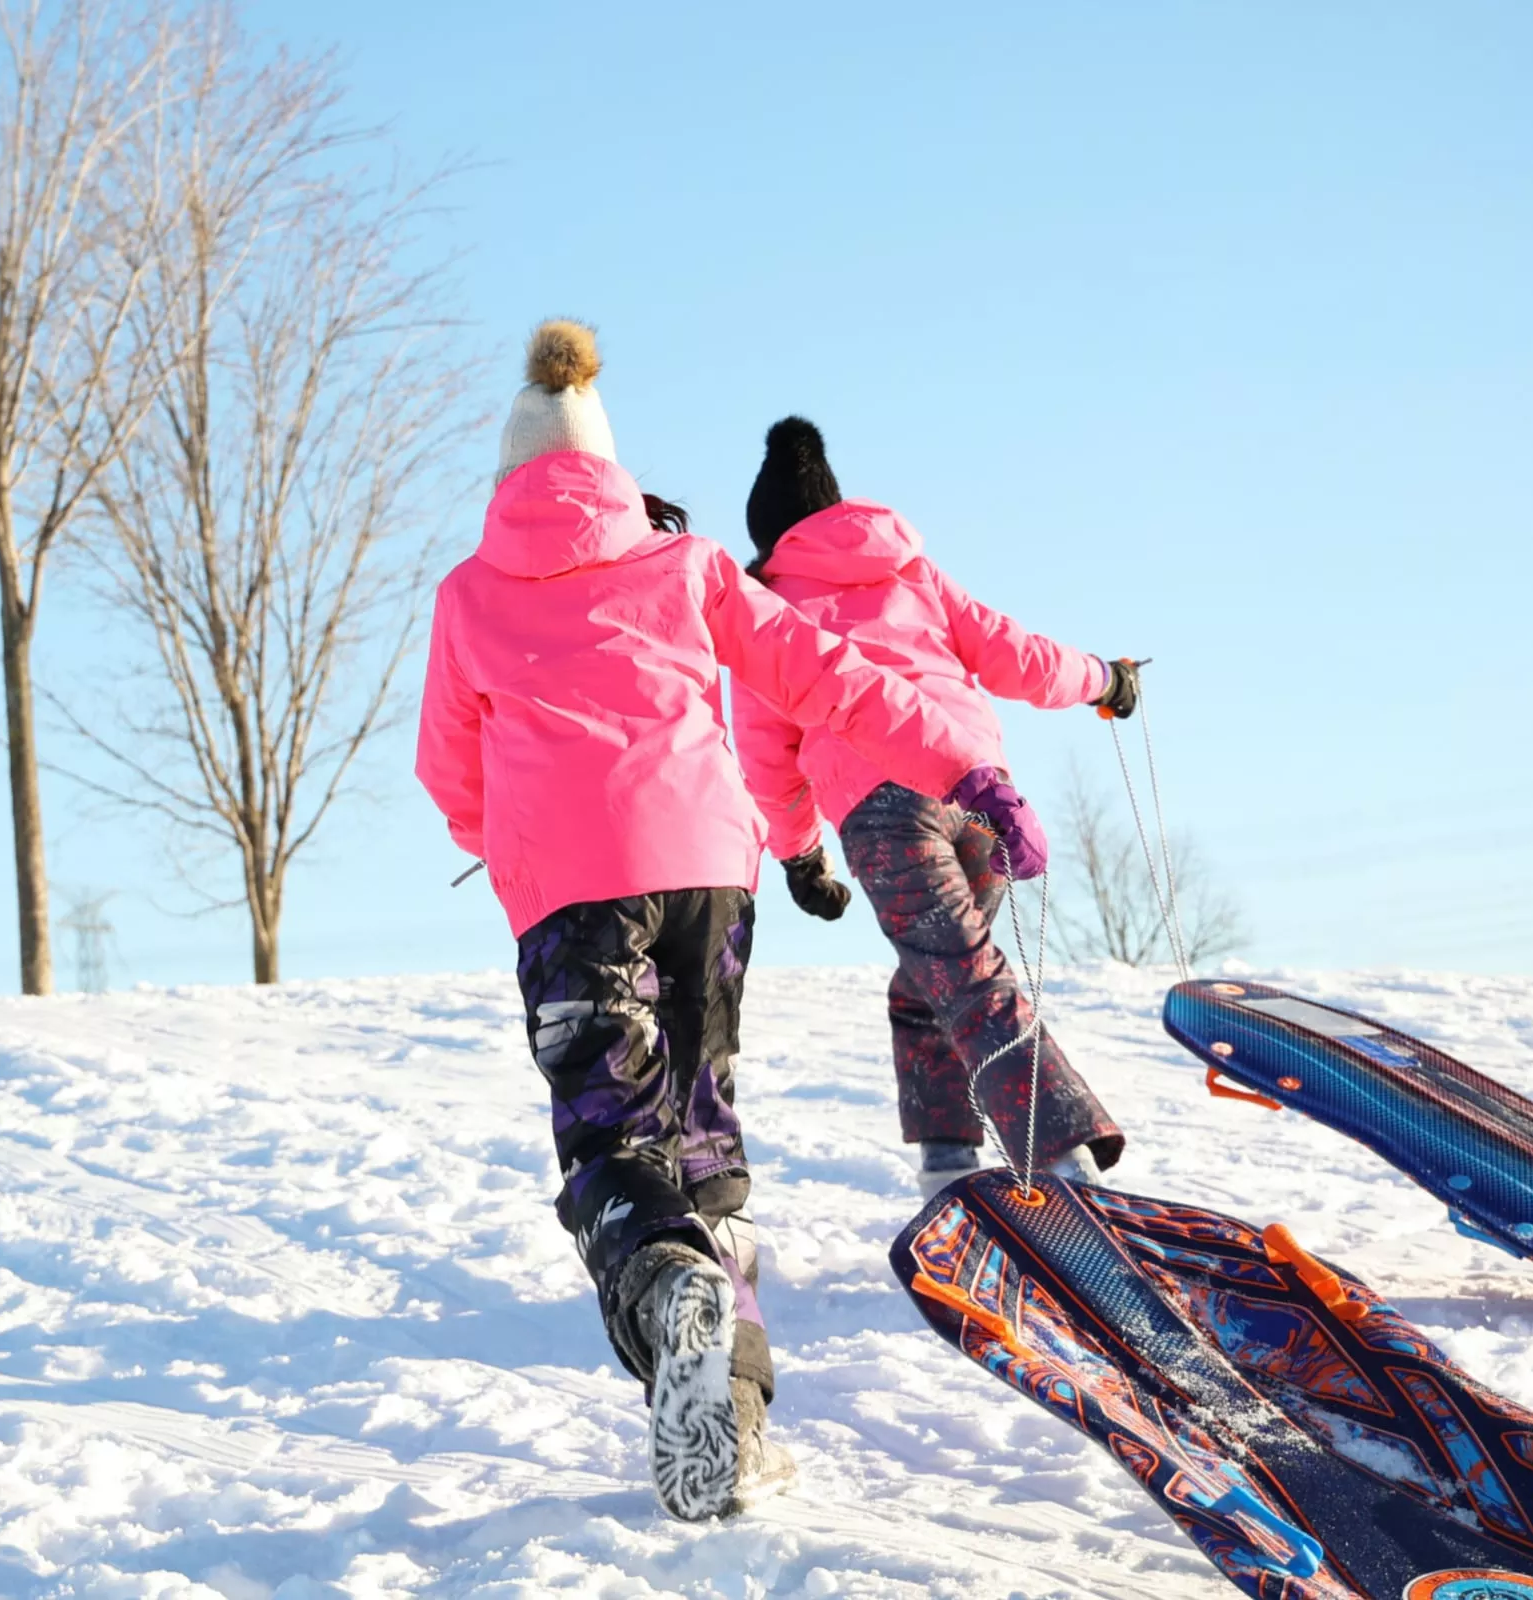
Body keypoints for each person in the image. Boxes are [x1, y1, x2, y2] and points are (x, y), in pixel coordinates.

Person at [415, 322, 1006, 1521]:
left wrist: (504, 843)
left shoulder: (470, 593)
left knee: (615, 1145)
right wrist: (967, 765)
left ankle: (667, 1284)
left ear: (508, 476)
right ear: (612, 469)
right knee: (700, 1140)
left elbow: (448, 773)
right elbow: (827, 673)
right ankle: (732, 1424)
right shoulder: (687, 568)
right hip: (707, 876)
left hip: (574, 897)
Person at [733, 416, 1140, 1198]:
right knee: (932, 979)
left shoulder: (771, 611)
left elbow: (766, 754)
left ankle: (1067, 1161)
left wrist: (799, 857)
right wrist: (1106, 679)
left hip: (885, 811)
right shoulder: (913, 573)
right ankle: (949, 1156)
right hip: (976, 796)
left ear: (770, 537)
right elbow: (1018, 655)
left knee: (961, 977)